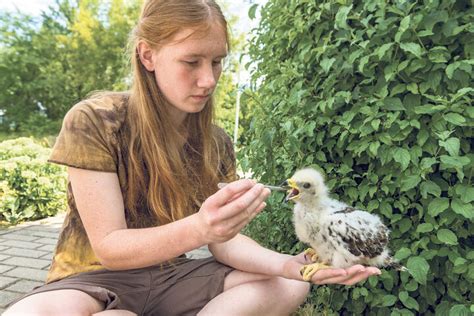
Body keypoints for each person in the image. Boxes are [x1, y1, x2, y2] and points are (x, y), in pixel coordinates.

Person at [4, 0, 381, 315]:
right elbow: (110, 247)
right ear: (148, 55)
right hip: (91, 280)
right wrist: (201, 228)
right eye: (192, 62)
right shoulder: (95, 121)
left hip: (172, 277)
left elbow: (225, 243)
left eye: (217, 61)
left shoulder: (215, 142)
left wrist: (290, 265)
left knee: (287, 284)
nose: (209, 80)